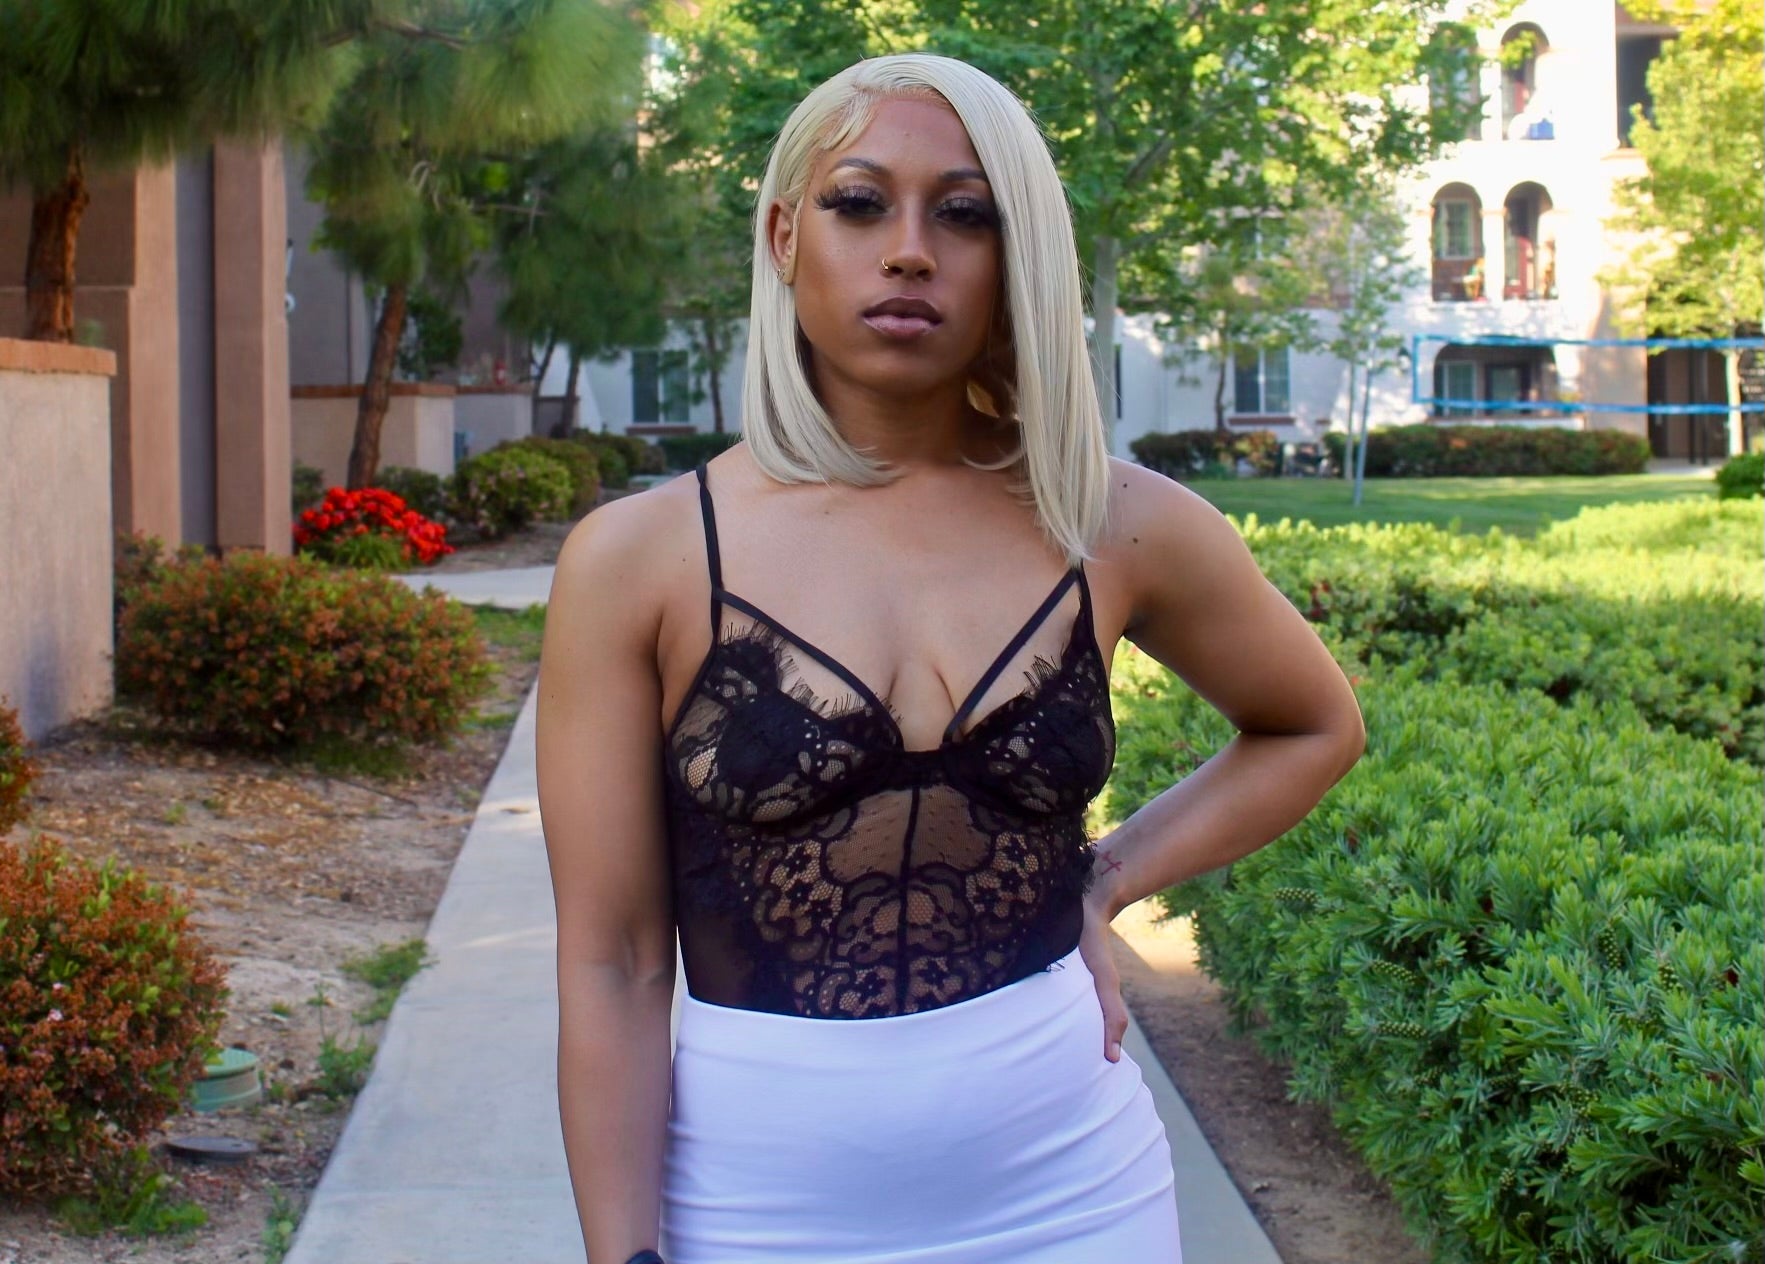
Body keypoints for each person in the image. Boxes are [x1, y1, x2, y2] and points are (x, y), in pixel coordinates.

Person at [535, 53, 1366, 1264]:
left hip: (1078, 1199)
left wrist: (1103, 879)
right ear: (784, 237)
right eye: (859, 203)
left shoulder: (1108, 521)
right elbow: (611, 962)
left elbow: (1312, 723)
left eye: (965, 214)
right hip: (758, 1220)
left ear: (1014, 255)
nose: (911, 251)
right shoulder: (641, 560)